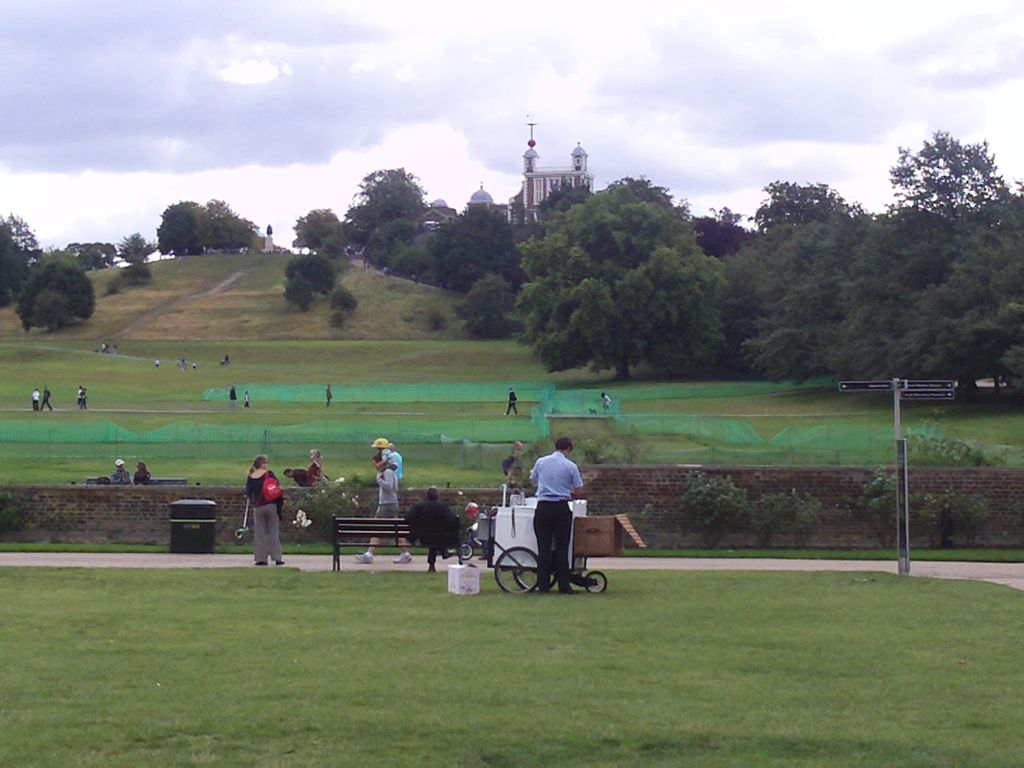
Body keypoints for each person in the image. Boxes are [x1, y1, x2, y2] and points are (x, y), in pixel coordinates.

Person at [529, 436, 584, 594]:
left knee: (543, 548)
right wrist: (567, 490)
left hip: (543, 507)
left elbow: (533, 481)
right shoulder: (570, 466)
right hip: (561, 506)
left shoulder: (541, 462)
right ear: (568, 450)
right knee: (562, 548)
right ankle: (564, 585)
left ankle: (543, 585)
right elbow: (578, 489)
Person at [354, 455, 412, 565]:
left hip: (387, 505)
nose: (374, 466)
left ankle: (369, 554)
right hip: (389, 504)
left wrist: (379, 480)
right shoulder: (390, 472)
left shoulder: (388, 472)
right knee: (395, 530)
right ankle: (405, 553)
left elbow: (389, 487)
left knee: (377, 528)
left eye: (375, 463)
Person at [405, 486, 460, 572]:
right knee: (436, 538)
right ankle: (443, 552)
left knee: (432, 538)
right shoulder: (443, 507)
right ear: (437, 496)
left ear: (427, 496)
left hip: (423, 537)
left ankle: (435, 561)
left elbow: (408, 518)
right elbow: (452, 520)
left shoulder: (419, 506)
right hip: (441, 537)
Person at [245, 455, 285, 566]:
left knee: (260, 533)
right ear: (262, 464)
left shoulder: (251, 476)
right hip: (271, 505)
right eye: (266, 462)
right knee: (273, 532)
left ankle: (261, 559)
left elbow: (247, 493)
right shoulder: (269, 474)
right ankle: (277, 558)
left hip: (258, 507)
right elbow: (277, 487)